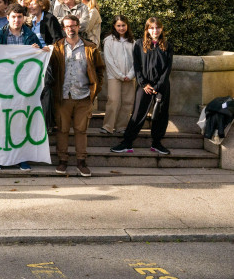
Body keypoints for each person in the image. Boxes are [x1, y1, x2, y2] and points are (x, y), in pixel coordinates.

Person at [49, 14, 105, 177]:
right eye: (67, 26)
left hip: (83, 96)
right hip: (63, 96)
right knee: (62, 130)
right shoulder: (57, 47)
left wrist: (96, 88)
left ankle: (81, 161)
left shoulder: (90, 48)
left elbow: (100, 70)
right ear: (63, 28)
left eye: (73, 25)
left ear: (78, 27)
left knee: (81, 131)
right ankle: (63, 160)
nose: (70, 29)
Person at [111, 18, 174, 156]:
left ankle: (157, 143)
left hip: (161, 87)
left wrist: (157, 86)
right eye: (151, 28)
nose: (155, 30)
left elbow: (167, 69)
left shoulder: (167, 46)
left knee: (160, 114)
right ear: (147, 30)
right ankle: (127, 142)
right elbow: (137, 66)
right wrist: (144, 84)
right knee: (138, 113)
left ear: (161, 29)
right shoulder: (139, 44)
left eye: (157, 27)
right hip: (144, 86)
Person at [101, 15, 136, 135]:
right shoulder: (109, 41)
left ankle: (122, 126)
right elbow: (109, 61)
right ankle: (107, 126)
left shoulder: (133, 41)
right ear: (114, 26)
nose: (121, 28)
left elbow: (137, 61)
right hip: (114, 76)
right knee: (113, 101)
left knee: (128, 102)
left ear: (127, 26)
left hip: (130, 77)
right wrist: (120, 75)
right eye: (118, 25)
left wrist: (130, 75)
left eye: (123, 25)